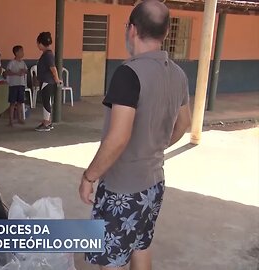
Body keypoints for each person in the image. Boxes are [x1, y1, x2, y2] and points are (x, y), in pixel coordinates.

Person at [79, 1, 191, 269]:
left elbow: (118, 138)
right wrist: (155, 146)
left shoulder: (128, 74)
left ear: (131, 30)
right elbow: (184, 123)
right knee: (141, 245)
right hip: (154, 184)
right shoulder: (178, 74)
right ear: (165, 33)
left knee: (111, 259)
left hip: (123, 189)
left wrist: (89, 176)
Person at [35, 32, 61, 132]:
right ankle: (48, 121)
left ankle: (46, 123)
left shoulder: (48, 55)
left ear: (41, 43)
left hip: (47, 81)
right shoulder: (47, 54)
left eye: (38, 43)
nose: (37, 45)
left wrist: (57, 79)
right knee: (47, 101)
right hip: (46, 81)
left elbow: (53, 69)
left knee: (46, 102)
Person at [5, 45, 27, 126]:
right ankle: (11, 120)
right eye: (21, 51)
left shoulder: (23, 62)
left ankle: (20, 118)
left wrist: (23, 71)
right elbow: (7, 72)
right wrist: (15, 73)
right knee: (12, 103)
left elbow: (26, 71)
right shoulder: (12, 63)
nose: (23, 53)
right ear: (16, 53)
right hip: (13, 85)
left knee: (20, 102)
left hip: (21, 84)